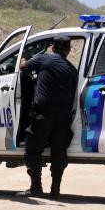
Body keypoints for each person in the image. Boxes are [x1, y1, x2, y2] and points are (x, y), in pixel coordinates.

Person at [19, 36, 78, 198]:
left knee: (32, 149)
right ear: (68, 50)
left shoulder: (43, 59)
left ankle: (36, 188)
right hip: (64, 117)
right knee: (59, 153)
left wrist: (24, 58)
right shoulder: (72, 70)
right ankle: (55, 191)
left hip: (43, 114)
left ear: (52, 48)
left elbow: (23, 66)